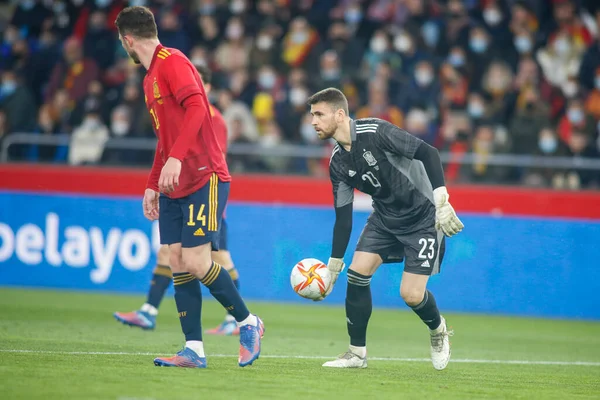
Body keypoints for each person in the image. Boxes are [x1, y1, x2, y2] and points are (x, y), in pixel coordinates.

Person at [114, 6, 264, 369]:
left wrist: (178, 159)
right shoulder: (149, 79)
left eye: (122, 43)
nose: (124, 49)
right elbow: (164, 139)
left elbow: (199, 109)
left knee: (198, 261)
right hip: (173, 183)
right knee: (178, 261)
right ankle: (193, 350)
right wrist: (152, 184)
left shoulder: (174, 61)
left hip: (203, 175)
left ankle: (248, 322)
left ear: (128, 39)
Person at [307, 88, 463, 370]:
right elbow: (343, 218)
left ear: (339, 114)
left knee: (411, 295)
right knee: (356, 274)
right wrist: (333, 267)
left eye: (319, 114)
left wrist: (442, 200)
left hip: (423, 216)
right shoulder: (337, 163)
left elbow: (428, 152)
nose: (313, 121)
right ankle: (356, 354)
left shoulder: (375, 131)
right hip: (385, 218)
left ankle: (438, 329)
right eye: (312, 115)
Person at [113, 65, 242, 336]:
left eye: (203, 84)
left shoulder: (213, 118)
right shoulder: (182, 115)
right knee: (173, 255)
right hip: (183, 194)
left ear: (207, 88)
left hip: (204, 195)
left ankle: (238, 318)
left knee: (217, 259)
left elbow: (214, 158)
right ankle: (151, 312)